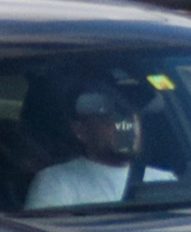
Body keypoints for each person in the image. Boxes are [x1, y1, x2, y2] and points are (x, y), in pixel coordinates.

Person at [26, 87, 175, 210]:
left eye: (133, 116)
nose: (128, 125)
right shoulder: (57, 183)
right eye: (114, 117)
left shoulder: (164, 181)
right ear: (81, 130)